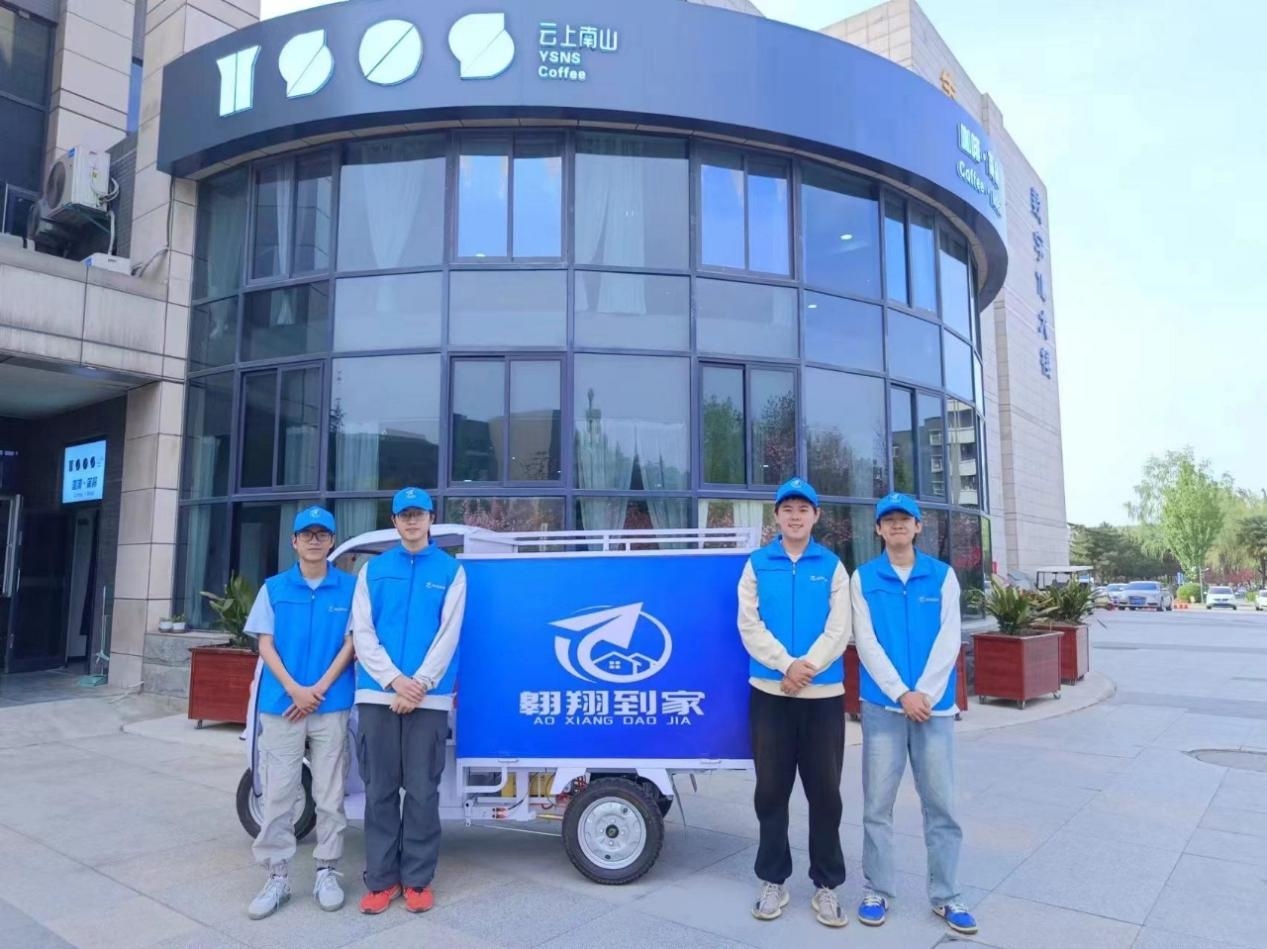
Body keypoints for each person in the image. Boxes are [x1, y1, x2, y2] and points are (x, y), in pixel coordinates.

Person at [852, 492, 978, 936]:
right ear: (878, 529)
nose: (897, 525)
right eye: (888, 520)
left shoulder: (942, 576)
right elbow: (866, 642)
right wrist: (901, 693)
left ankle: (947, 895)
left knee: (941, 805)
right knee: (877, 806)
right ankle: (877, 890)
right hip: (883, 707)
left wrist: (923, 693)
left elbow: (949, 638)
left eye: (905, 519)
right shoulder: (864, 577)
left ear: (919, 526)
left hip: (934, 710)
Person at [737, 477, 852, 928]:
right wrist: (786, 665)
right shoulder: (757, 564)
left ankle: (827, 885)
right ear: (777, 516)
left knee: (825, 794)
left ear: (816, 516)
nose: (796, 516)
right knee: (771, 792)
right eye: (788, 509)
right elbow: (749, 625)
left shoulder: (833, 566)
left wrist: (807, 668)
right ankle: (773, 880)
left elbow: (839, 629)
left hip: (822, 698)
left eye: (804, 509)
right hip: (770, 695)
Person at [352, 487, 466, 915]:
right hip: (377, 694)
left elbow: (449, 634)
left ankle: (417, 880)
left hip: (428, 698)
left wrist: (419, 683)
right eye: (405, 515)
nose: (412, 521)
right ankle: (381, 881)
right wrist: (394, 681)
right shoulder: (373, 571)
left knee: (421, 792)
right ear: (394, 521)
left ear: (431, 518)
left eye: (419, 514)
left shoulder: (451, 571)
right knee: (379, 791)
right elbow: (363, 633)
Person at [245, 505, 357, 920]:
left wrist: (319, 689)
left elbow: (352, 643)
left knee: (329, 793)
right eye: (306, 534)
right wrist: (295, 689)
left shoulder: (350, 588)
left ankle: (327, 870)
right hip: (282, 705)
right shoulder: (273, 588)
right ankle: (276, 876)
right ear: (293, 541)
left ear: (332, 541)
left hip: (331, 704)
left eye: (321, 534)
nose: (314, 540)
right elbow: (265, 644)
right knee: (279, 793)